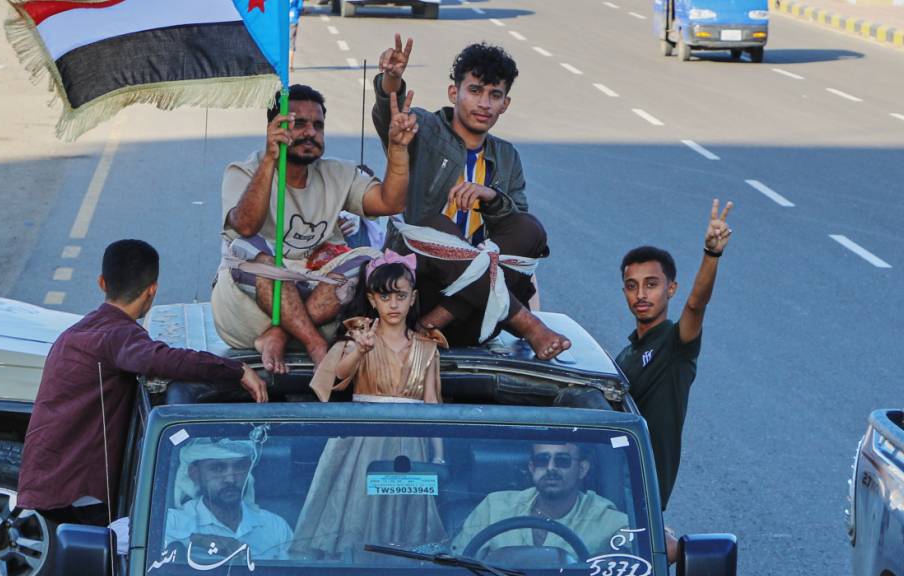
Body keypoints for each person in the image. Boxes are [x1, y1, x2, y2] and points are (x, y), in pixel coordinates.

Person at [18, 240, 267, 527]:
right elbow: (165, 360)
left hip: (46, 482)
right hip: (81, 490)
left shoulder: (74, 334)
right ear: (152, 289)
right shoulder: (118, 336)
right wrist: (237, 371)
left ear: (102, 283)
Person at [372, 36, 569, 359]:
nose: (484, 104)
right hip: (421, 282)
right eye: (475, 90)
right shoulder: (426, 129)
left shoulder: (507, 156)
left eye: (495, 95)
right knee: (438, 225)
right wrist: (391, 80)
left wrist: (490, 197)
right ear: (455, 93)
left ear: (505, 104)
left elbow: (517, 232)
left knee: (531, 228)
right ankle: (530, 326)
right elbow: (388, 116)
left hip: (477, 307)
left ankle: (435, 322)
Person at [211, 84, 419, 374]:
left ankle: (281, 333)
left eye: (318, 125)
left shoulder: (338, 173)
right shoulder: (244, 171)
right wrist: (271, 159)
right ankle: (313, 343)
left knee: (370, 257)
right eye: (298, 124)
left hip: (317, 293)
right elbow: (245, 225)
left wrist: (398, 148)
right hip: (255, 301)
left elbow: (390, 202)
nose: (310, 132)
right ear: (274, 128)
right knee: (247, 247)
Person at [291, 253, 447, 558]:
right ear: (371, 300)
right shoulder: (360, 339)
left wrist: (439, 459)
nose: (393, 304)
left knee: (405, 528)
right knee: (356, 517)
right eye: (385, 296)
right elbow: (340, 376)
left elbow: (433, 407)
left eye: (400, 296)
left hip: (411, 449)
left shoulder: (428, 348)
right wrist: (360, 351)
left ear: (412, 299)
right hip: (362, 444)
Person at [614, 199, 733, 511]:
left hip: (642, 494)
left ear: (671, 289)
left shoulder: (675, 344)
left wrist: (712, 253)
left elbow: (696, 305)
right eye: (631, 285)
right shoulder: (624, 355)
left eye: (651, 285)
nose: (640, 294)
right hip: (604, 485)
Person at [451, 443, 628, 560]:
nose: (551, 468)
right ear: (532, 468)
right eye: (542, 460)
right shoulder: (494, 506)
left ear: (582, 469)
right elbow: (456, 563)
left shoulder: (610, 522)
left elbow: (636, 563)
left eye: (562, 460)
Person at [165, 438, 293, 560]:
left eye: (239, 467)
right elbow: (153, 546)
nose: (230, 479)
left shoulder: (275, 526)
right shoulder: (173, 522)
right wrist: (198, 540)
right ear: (195, 474)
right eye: (218, 468)